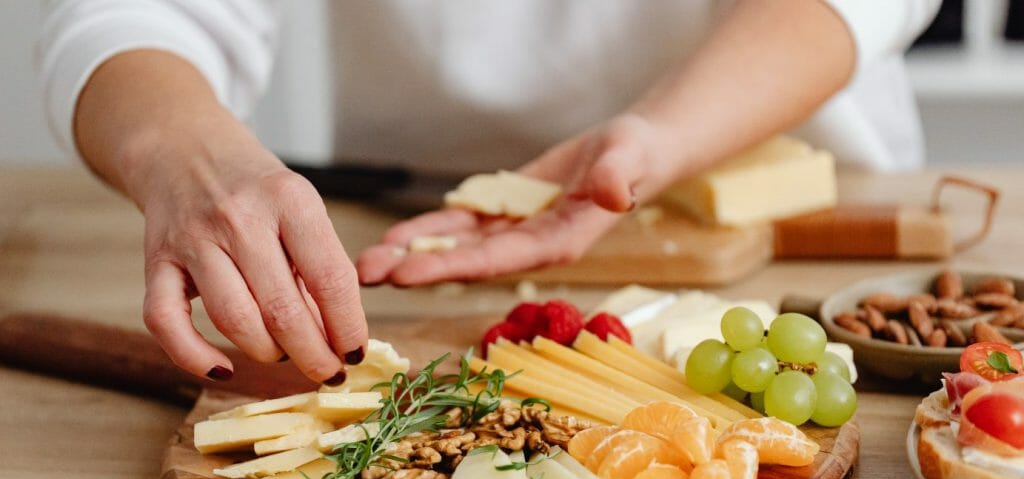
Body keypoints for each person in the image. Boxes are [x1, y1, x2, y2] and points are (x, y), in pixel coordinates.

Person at [38, 0, 938, 386]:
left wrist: (663, 135)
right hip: (404, 226)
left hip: (798, 210)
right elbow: (126, 12)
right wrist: (185, 154)